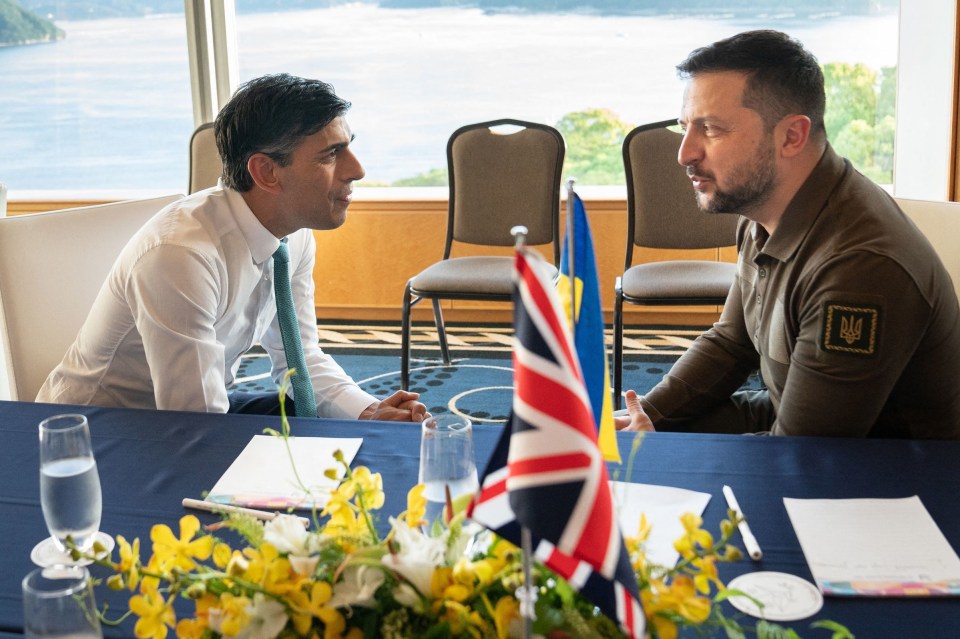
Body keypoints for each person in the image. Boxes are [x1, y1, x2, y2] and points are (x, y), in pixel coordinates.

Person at [617, 30, 960, 439]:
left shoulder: (858, 267)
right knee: (622, 440)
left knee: (653, 466)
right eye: (685, 126)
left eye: (710, 129)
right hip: (790, 417)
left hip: (893, 476)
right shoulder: (765, 205)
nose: (684, 153)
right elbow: (731, 342)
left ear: (792, 136)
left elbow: (802, 454)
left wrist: (663, 452)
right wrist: (649, 415)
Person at [38, 73, 427, 423]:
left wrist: (368, 413)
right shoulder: (181, 257)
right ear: (266, 172)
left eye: (348, 147)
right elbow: (196, 426)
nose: (356, 169)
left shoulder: (293, 234)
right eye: (330, 154)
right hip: (102, 429)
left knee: (314, 416)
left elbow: (298, 360)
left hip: (192, 407)